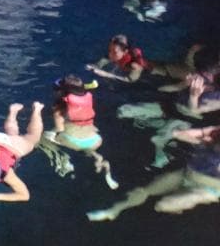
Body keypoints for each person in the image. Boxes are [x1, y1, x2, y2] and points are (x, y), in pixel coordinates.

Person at [87, 125, 220, 221]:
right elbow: (179, 134)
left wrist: (198, 180)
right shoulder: (216, 132)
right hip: (187, 173)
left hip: (208, 188)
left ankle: (182, 204)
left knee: (162, 205)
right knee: (144, 191)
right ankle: (113, 211)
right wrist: (200, 141)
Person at [44, 75, 119, 189]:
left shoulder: (59, 108)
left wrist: (50, 133)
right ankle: (101, 163)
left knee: (42, 138)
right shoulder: (87, 102)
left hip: (74, 141)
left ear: (62, 92)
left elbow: (59, 129)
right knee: (87, 150)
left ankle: (64, 162)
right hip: (96, 140)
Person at [86, 34, 201, 85]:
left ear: (125, 51)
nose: (110, 54)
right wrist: (96, 66)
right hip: (162, 68)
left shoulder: (135, 65)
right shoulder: (117, 54)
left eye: (114, 51)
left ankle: (193, 53)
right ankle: (192, 52)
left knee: (191, 75)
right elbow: (106, 59)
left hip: (168, 73)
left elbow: (130, 80)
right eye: (109, 49)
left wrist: (106, 74)